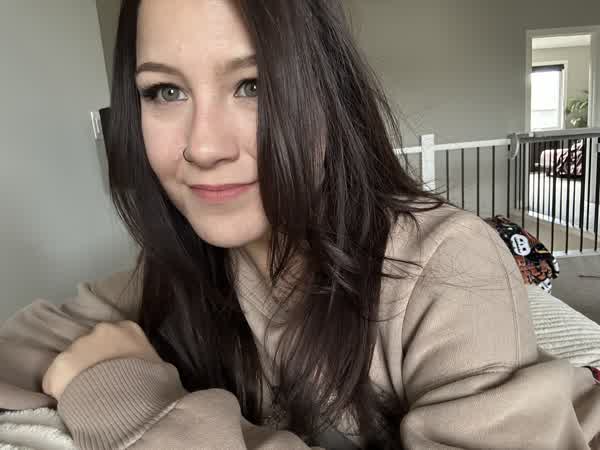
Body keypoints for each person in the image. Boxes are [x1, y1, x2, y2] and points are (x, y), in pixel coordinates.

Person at [1, 0, 599, 449]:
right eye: (164, 91)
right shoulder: (181, 266)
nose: (203, 147)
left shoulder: (450, 262)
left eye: (253, 85)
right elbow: (21, 343)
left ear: (329, 97)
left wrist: (137, 400)